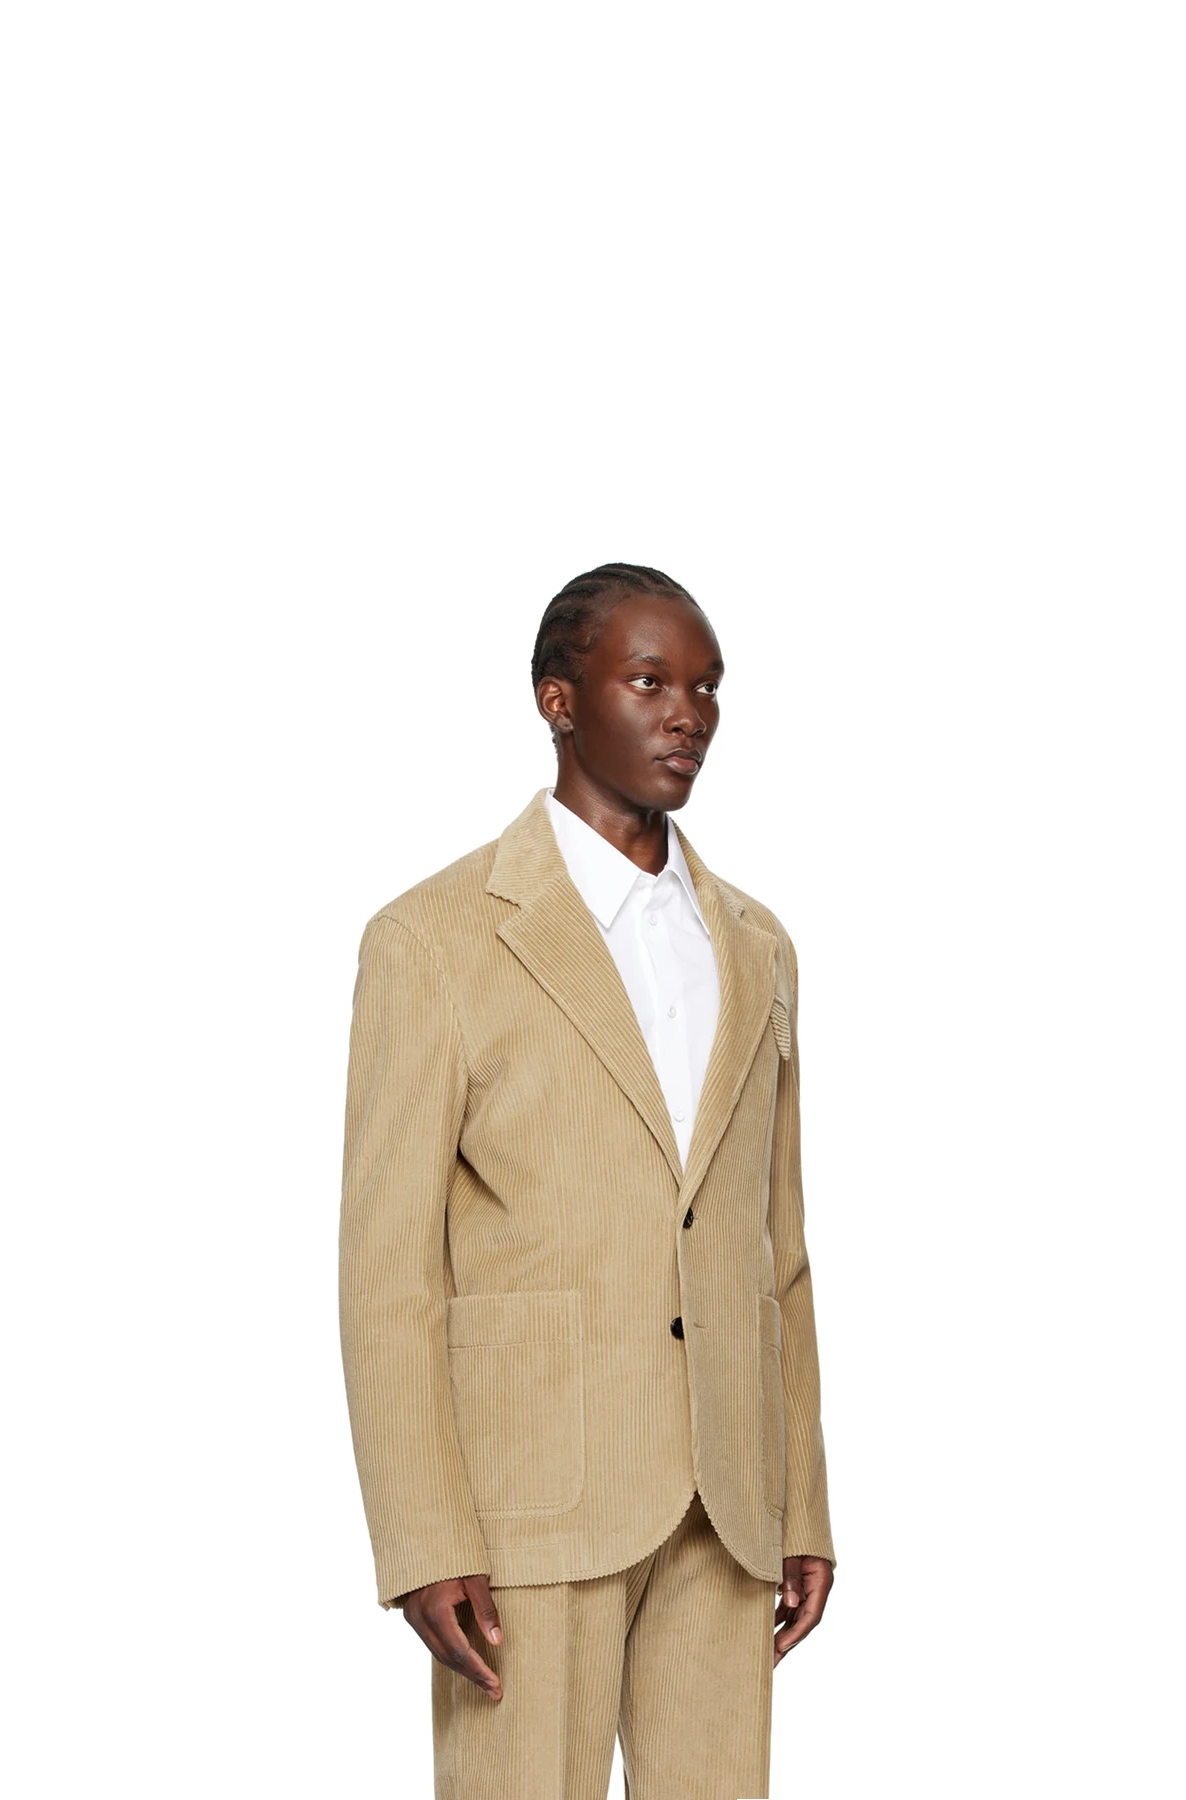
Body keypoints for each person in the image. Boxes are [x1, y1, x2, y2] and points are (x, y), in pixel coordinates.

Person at [339, 562, 836, 1800]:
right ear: (559, 701)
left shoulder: (759, 945)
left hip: (726, 1505)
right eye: (650, 681)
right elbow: (387, 1267)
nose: (689, 715)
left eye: (707, 686)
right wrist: (424, 1531)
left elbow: (777, 1248)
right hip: (527, 1504)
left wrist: (802, 1502)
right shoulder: (433, 939)